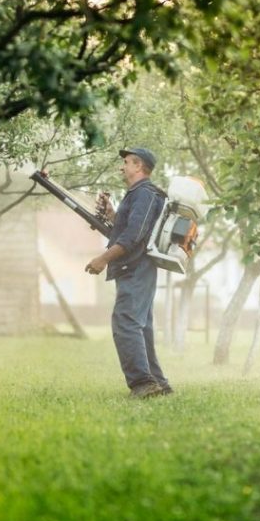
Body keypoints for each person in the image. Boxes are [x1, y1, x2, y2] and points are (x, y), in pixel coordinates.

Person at [85, 147, 172, 399]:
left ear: (138, 166)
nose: (122, 167)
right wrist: (113, 213)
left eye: (126, 162)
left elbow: (134, 236)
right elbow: (129, 228)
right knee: (140, 326)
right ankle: (159, 383)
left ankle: (143, 384)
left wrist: (103, 258)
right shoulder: (135, 195)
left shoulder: (144, 193)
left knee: (126, 322)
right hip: (136, 267)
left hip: (136, 266)